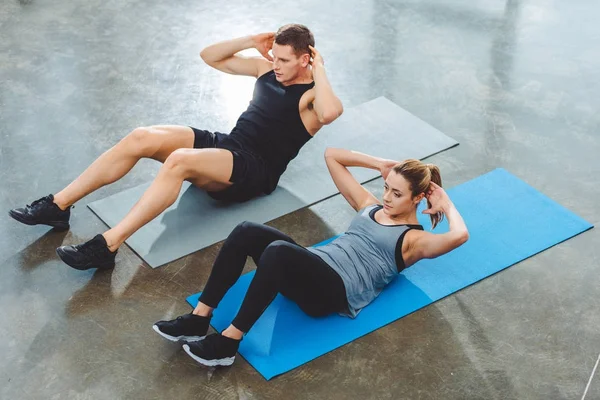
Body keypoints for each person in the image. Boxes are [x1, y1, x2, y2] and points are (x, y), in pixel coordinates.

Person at [8, 24, 343, 271]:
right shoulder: (267, 69)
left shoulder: (313, 97)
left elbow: (331, 113)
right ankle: (59, 205)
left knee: (179, 161)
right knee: (142, 136)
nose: (276, 63)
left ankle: (108, 245)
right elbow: (209, 56)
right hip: (228, 145)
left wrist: (321, 69)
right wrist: (250, 41)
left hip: (254, 170)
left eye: (285, 60)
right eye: (275, 56)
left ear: (305, 59)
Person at [152, 147, 470, 367]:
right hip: (313, 266)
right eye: (386, 188)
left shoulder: (413, 240)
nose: (386, 197)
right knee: (247, 230)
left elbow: (459, 236)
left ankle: (228, 344)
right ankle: (199, 318)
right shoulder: (371, 205)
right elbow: (332, 156)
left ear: (417, 198)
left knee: (277, 251)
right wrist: (379, 165)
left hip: (332, 292)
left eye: (397, 194)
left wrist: (445, 202)